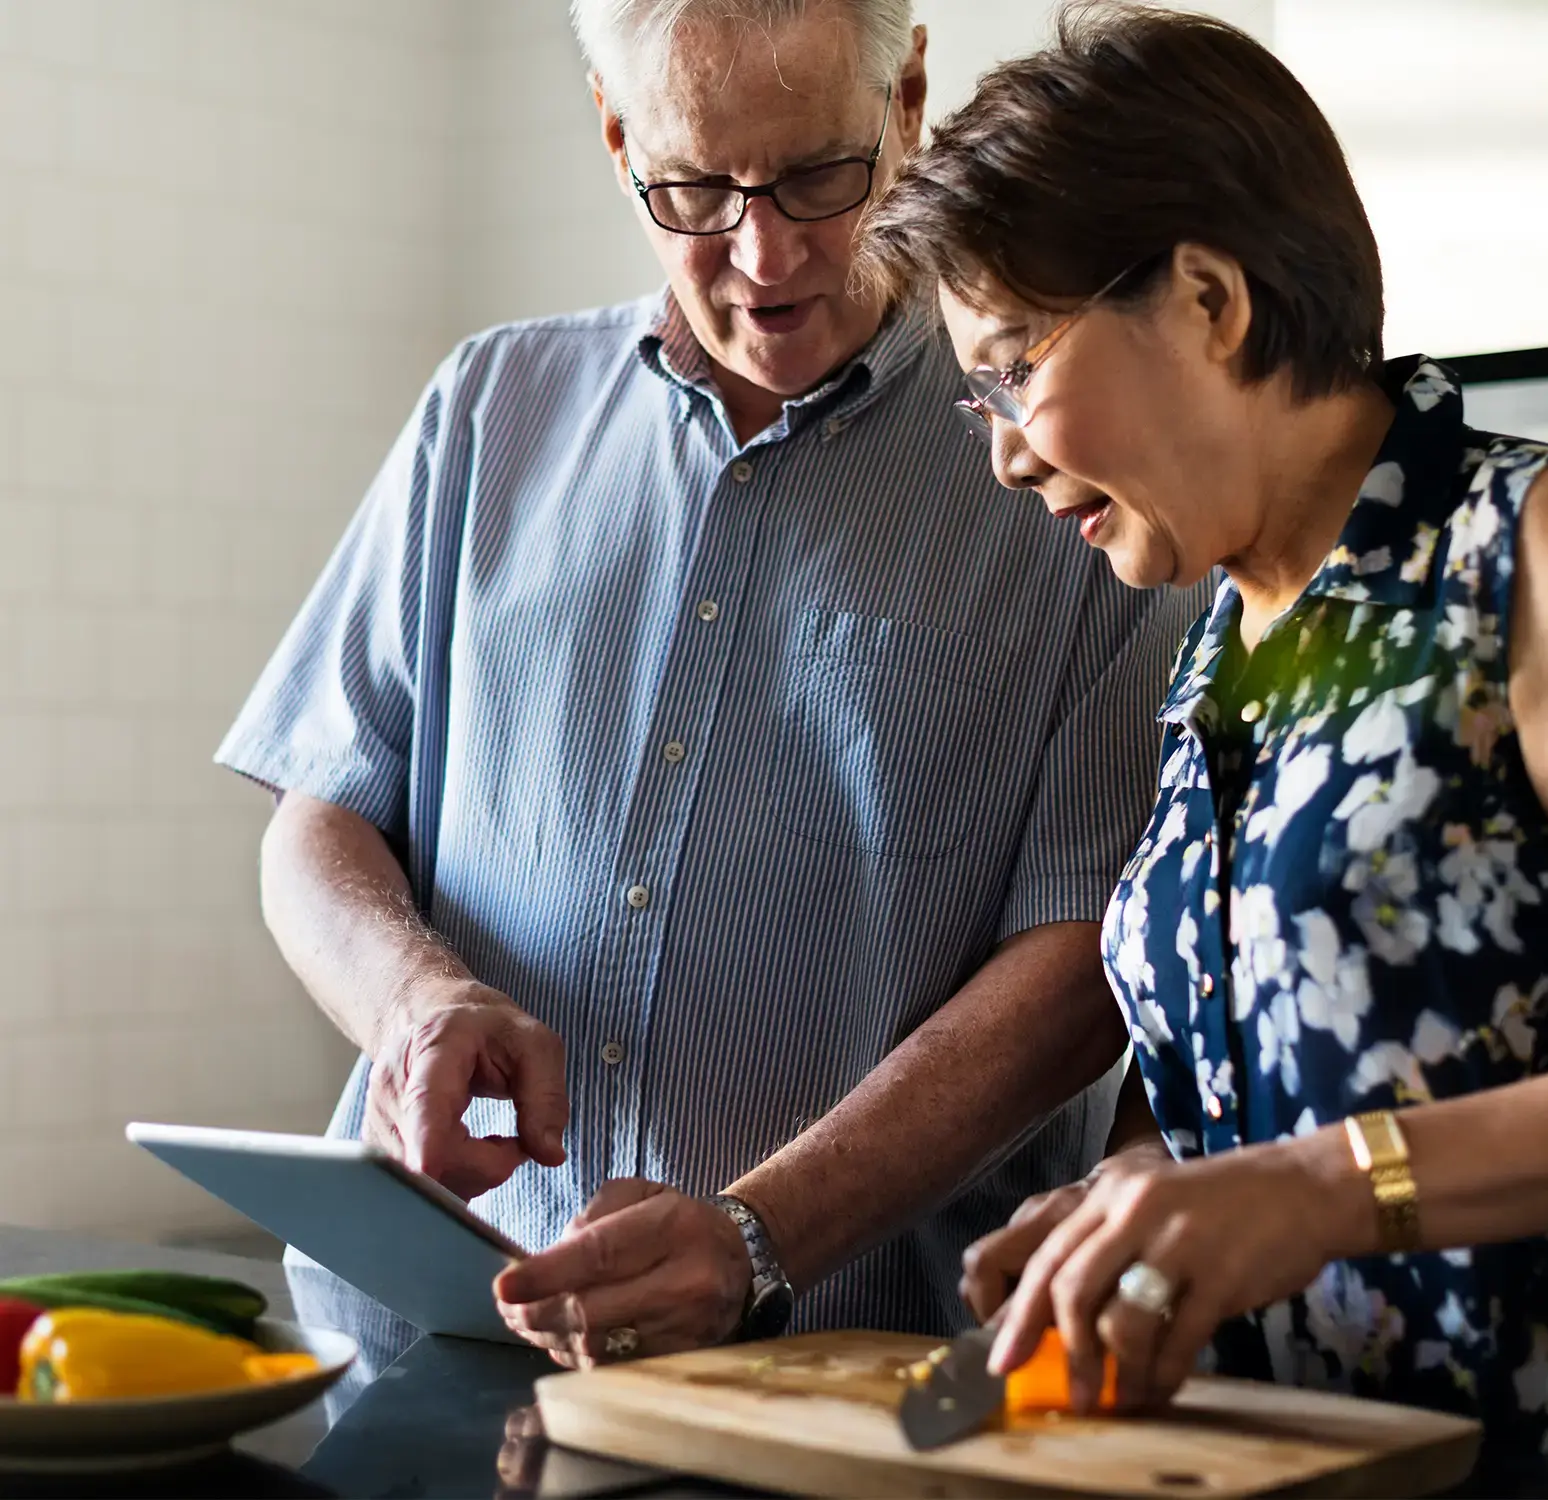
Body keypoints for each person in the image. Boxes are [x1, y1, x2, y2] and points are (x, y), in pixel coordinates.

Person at [217, 0, 1204, 1366]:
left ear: (908, 102)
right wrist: (414, 1005)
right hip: (424, 1338)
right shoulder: (488, 405)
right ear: (618, 138)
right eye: (694, 188)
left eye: (819, 174)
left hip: (834, 1376)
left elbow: (1084, 972)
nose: (766, 252)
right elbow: (317, 819)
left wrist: (760, 1237)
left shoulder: (1072, 478)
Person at [857, 0, 1548, 1458]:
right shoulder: (1224, 636)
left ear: (1209, 298)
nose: (1003, 453)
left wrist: (1326, 1186)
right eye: (977, 400)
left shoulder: (1540, 546)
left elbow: (1324, 1156)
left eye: (1016, 366)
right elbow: (1258, 1069)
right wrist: (1130, 1206)